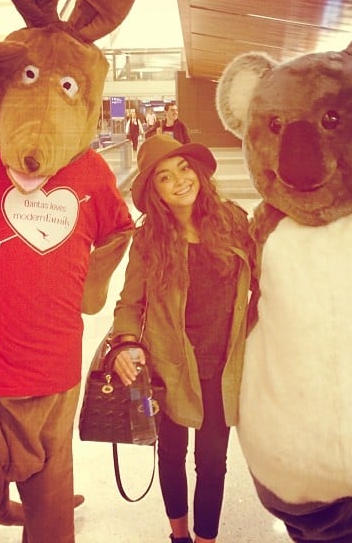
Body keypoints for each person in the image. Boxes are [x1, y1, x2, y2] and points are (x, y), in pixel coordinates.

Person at [110, 134, 254, 543]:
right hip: (167, 367)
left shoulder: (234, 222)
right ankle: (179, 536)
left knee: (213, 462)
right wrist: (124, 342)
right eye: (164, 177)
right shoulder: (149, 240)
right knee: (171, 455)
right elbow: (129, 302)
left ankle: (205, 539)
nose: (179, 181)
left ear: (199, 172)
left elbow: (264, 281)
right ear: (154, 192)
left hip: (222, 366)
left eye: (184, 168)